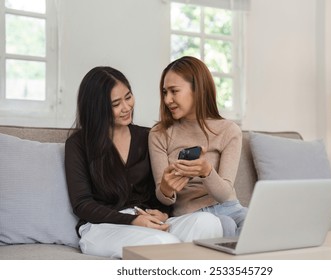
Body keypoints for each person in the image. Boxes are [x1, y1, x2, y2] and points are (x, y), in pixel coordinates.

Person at [64, 66, 223, 259]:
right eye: (116, 103)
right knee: (163, 243)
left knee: (208, 223)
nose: (126, 107)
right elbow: (82, 204)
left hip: (147, 221)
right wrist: (133, 220)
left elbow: (158, 192)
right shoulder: (78, 143)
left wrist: (163, 213)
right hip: (102, 228)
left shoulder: (148, 136)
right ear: (98, 108)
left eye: (128, 97)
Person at [149, 56, 248, 237]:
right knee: (224, 226)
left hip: (229, 206)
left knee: (262, 223)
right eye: (164, 92)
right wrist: (166, 187)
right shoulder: (159, 133)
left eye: (174, 91)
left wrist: (206, 172)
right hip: (191, 214)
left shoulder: (229, 131)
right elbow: (163, 198)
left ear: (198, 90)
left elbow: (225, 194)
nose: (167, 100)